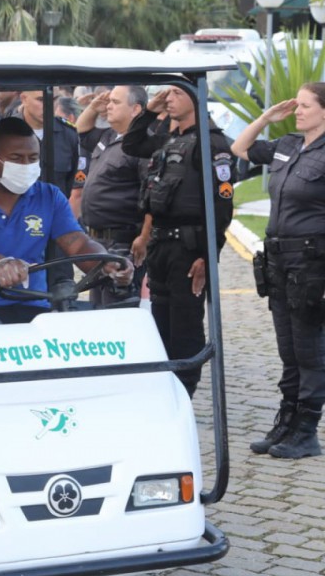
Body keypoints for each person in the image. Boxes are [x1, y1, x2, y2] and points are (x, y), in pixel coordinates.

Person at [0, 117, 132, 324]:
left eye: (32, 158)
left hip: (33, 311)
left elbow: (78, 242)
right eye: (16, 158)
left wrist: (106, 262)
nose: (26, 165)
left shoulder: (49, 197)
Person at [231, 83, 325, 459]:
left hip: (312, 262)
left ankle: (306, 430)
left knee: (309, 349)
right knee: (288, 349)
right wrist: (267, 118)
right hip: (278, 259)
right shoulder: (286, 146)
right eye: (296, 105)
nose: (297, 111)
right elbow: (240, 148)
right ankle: (285, 423)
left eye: (305, 106)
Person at [122, 85, 233, 398]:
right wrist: (150, 110)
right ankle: (164, 388)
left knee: (185, 327)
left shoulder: (211, 143)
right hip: (162, 245)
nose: (168, 98)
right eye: (167, 93)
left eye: (176, 93)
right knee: (161, 323)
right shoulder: (170, 138)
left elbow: (222, 205)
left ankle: (183, 392)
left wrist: (207, 256)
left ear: (196, 97)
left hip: (189, 249)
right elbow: (132, 144)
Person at [74, 86, 150, 306]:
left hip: (123, 240)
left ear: (135, 109)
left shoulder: (143, 144)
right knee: (97, 306)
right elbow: (80, 131)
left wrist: (144, 238)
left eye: (115, 102)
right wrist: (92, 107)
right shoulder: (108, 136)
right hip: (98, 240)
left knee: (117, 307)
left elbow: (152, 196)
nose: (108, 106)